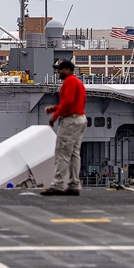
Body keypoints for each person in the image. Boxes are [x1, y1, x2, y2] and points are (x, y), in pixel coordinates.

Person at [41, 59, 87, 196]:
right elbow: (74, 103)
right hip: (80, 118)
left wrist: (54, 116)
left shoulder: (69, 82)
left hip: (70, 121)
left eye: (60, 69)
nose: (58, 72)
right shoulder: (77, 82)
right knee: (74, 154)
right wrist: (55, 108)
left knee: (62, 152)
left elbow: (68, 102)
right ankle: (74, 184)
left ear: (67, 69)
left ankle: (58, 185)